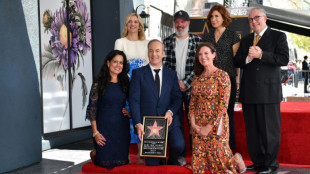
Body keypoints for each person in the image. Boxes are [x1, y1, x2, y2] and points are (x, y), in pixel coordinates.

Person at [234, 7, 289, 174]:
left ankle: (270, 164)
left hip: (268, 92)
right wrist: (248, 58)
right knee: (253, 130)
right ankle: (258, 162)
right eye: (250, 19)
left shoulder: (278, 36)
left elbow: (284, 58)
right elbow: (236, 61)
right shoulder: (247, 39)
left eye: (256, 17)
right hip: (249, 92)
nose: (253, 21)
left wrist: (261, 55)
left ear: (265, 18)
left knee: (268, 131)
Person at [187, 42, 246, 174]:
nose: (203, 57)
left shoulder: (222, 76)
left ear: (214, 55)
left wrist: (209, 126)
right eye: (200, 54)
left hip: (217, 124)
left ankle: (235, 160)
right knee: (199, 166)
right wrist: (193, 124)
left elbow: (223, 105)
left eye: (206, 53)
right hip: (198, 125)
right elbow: (192, 104)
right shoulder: (197, 78)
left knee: (220, 165)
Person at [130, 39, 186, 166]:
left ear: (163, 53)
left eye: (157, 51)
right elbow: (134, 101)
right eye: (151, 51)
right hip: (149, 125)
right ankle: (160, 160)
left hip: (169, 120)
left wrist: (170, 112)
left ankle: (171, 162)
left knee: (179, 145)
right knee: (152, 164)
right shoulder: (138, 74)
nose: (154, 54)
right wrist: (138, 123)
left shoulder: (171, 74)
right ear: (147, 53)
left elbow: (177, 98)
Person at [163, 10, 201, 154]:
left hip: (192, 88)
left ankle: (195, 153)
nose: (180, 25)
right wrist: (176, 83)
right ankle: (178, 153)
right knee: (175, 121)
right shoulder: (167, 41)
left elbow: (200, 66)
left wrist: (186, 82)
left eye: (183, 22)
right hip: (173, 89)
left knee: (195, 120)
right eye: (177, 22)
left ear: (188, 23)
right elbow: (165, 66)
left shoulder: (197, 41)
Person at [202, 4, 240, 149]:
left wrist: (237, 80)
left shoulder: (232, 35)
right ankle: (212, 147)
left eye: (217, 16)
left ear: (224, 17)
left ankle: (229, 147)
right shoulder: (208, 35)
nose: (213, 19)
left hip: (228, 79)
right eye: (211, 16)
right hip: (210, 80)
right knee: (210, 111)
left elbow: (236, 61)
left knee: (227, 113)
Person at [85, 50, 131, 169]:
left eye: (121, 63)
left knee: (121, 164)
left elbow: (134, 101)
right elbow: (92, 109)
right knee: (104, 163)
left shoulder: (126, 82)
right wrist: (95, 132)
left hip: (121, 129)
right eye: (115, 62)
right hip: (103, 128)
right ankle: (95, 153)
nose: (118, 65)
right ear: (108, 63)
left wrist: (130, 113)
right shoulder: (98, 84)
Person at [114, 13, 149, 163]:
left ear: (140, 25)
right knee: (125, 116)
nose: (133, 24)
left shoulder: (147, 43)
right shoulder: (120, 42)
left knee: (140, 114)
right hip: (124, 84)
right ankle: (124, 153)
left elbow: (149, 66)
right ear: (126, 24)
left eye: (136, 22)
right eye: (130, 22)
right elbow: (117, 63)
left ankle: (143, 151)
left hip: (142, 85)